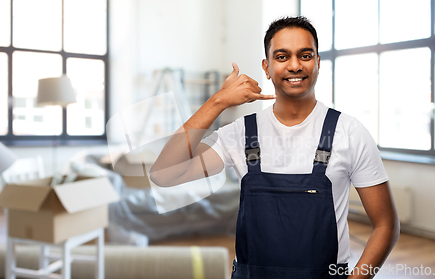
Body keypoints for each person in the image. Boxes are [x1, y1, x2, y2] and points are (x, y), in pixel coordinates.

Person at [150, 16, 399, 279]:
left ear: (317, 63)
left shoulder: (349, 133)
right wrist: (218, 101)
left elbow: (386, 225)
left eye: (305, 55)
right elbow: (164, 174)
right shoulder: (239, 134)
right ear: (266, 68)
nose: (294, 65)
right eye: (282, 56)